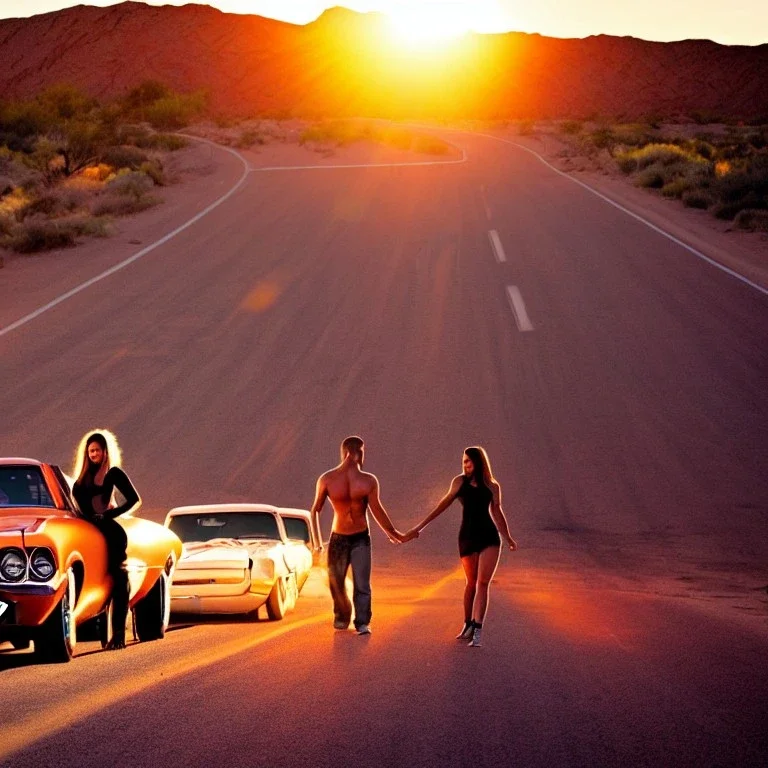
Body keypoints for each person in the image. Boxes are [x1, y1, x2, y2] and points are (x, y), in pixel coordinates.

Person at [409, 446, 517, 648]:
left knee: (483, 583)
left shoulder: (492, 486)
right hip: (467, 537)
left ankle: (477, 630)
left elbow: (497, 513)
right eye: (463, 461)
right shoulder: (459, 483)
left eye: (468, 461)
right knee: (471, 582)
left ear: (478, 461)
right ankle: (467, 623)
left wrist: (508, 537)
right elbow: (442, 505)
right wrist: (419, 527)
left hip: (489, 537)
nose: (465, 464)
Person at [311, 435, 416, 635]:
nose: (363, 455)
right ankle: (342, 615)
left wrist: (396, 535)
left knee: (362, 583)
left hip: (360, 537)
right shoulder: (327, 479)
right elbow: (315, 510)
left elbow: (377, 510)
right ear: (352, 453)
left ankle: (362, 622)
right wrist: (317, 544)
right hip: (338, 538)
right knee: (336, 581)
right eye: (362, 451)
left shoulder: (368, 481)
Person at [71, 430, 141, 650]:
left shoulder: (112, 473)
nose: (93, 454)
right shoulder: (81, 478)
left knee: (119, 580)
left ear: (104, 452)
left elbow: (133, 499)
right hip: (90, 534)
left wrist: (109, 514)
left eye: (97, 451)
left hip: (111, 533)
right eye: (90, 451)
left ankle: (119, 634)